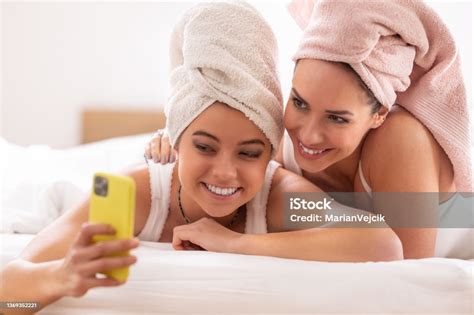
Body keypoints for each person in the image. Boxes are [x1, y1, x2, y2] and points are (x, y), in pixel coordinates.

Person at [1, 1, 402, 312]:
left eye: (250, 152)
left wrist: (234, 244)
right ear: (176, 141)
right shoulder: (137, 192)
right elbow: (7, 296)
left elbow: (384, 246)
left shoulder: (276, 193)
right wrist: (59, 277)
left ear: (270, 155)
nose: (226, 172)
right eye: (204, 147)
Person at [146, 0, 472, 259]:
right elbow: (225, 145)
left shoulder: (401, 140)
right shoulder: (281, 131)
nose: (307, 135)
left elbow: (406, 272)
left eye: (337, 118)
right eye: (300, 102)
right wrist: (176, 133)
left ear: (378, 115)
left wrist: (235, 244)